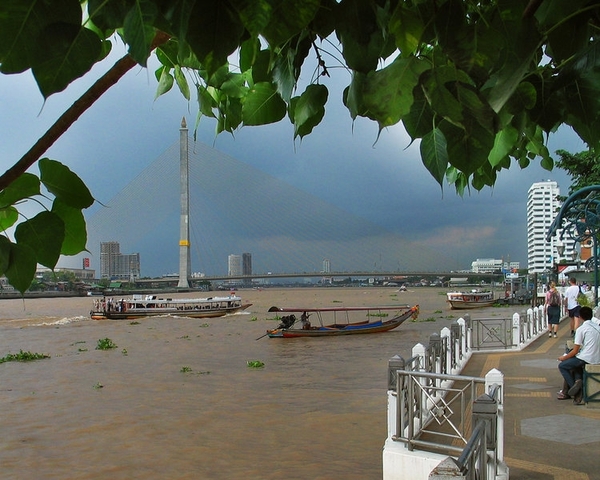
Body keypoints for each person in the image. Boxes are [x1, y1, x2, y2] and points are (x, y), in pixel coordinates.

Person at [557, 306, 600, 404]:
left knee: (563, 366)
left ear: (580, 317)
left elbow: (575, 351)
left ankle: (576, 390)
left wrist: (563, 358)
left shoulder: (582, 329)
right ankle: (578, 381)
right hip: (597, 358)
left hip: (586, 358)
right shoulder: (597, 327)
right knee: (575, 366)